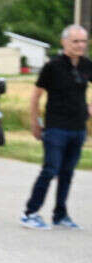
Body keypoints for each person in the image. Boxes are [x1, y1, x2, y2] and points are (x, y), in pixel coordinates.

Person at [20, 24, 90, 229]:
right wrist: (36, 123)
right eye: (75, 41)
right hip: (56, 127)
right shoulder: (53, 66)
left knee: (67, 173)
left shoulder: (86, 65)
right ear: (64, 42)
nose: (80, 45)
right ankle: (30, 212)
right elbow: (36, 97)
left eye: (83, 41)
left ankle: (60, 214)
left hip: (78, 127)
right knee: (50, 169)